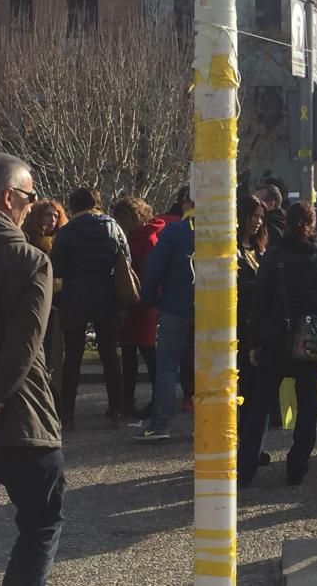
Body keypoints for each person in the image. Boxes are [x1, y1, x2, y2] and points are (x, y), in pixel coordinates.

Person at [0, 153, 65, 585]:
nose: (32, 205)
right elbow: (21, 353)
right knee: (41, 524)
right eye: (29, 197)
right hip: (21, 419)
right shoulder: (29, 261)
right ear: (9, 198)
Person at [239, 202, 317, 486]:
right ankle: (297, 465)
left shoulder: (274, 257)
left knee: (260, 403)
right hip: (312, 339)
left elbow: (260, 301)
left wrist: (255, 340)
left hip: (276, 337)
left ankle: (246, 467)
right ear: (314, 224)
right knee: (308, 403)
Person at [52, 187, 130, 429]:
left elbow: (56, 268)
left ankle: (68, 413)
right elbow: (126, 259)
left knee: (73, 355)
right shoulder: (113, 227)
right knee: (109, 354)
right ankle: (116, 409)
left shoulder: (67, 232)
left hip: (75, 296)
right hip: (106, 295)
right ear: (97, 203)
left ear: (72, 206)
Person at [133, 192, 196, 442]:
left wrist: (148, 299)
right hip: (211, 309)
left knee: (167, 366)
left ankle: (160, 425)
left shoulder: (174, 232)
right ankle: (207, 422)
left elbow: (154, 268)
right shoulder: (220, 230)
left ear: (186, 204)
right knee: (209, 367)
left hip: (175, 306)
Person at [112, 197, 166, 420]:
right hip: (141, 300)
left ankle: (153, 399)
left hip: (143, 301)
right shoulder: (148, 237)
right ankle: (132, 399)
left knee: (144, 351)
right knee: (136, 350)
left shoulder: (143, 240)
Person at [21, 200, 68, 391]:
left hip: (58, 298)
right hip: (34, 297)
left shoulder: (62, 239)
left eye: (56, 215)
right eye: (49, 215)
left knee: (54, 347)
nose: (53, 219)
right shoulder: (28, 240)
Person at [236, 196, 267, 407]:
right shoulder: (233, 248)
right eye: (254, 215)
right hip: (239, 323)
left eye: (261, 217)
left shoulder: (260, 249)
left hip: (259, 324)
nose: (257, 221)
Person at [256, 184, 286, 249]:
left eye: (258, 201)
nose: (254, 204)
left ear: (271, 204)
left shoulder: (265, 227)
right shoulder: (288, 222)